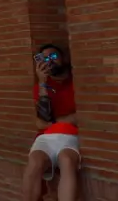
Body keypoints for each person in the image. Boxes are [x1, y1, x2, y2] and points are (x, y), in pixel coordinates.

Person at [22, 43, 79, 201]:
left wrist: (57, 122)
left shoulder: (76, 81)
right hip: (47, 137)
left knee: (66, 160)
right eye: (45, 59)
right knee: (35, 162)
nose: (50, 61)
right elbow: (41, 121)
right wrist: (42, 83)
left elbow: (82, 116)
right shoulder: (41, 87)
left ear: (64, 58)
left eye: (53, 56)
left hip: (71, 135)